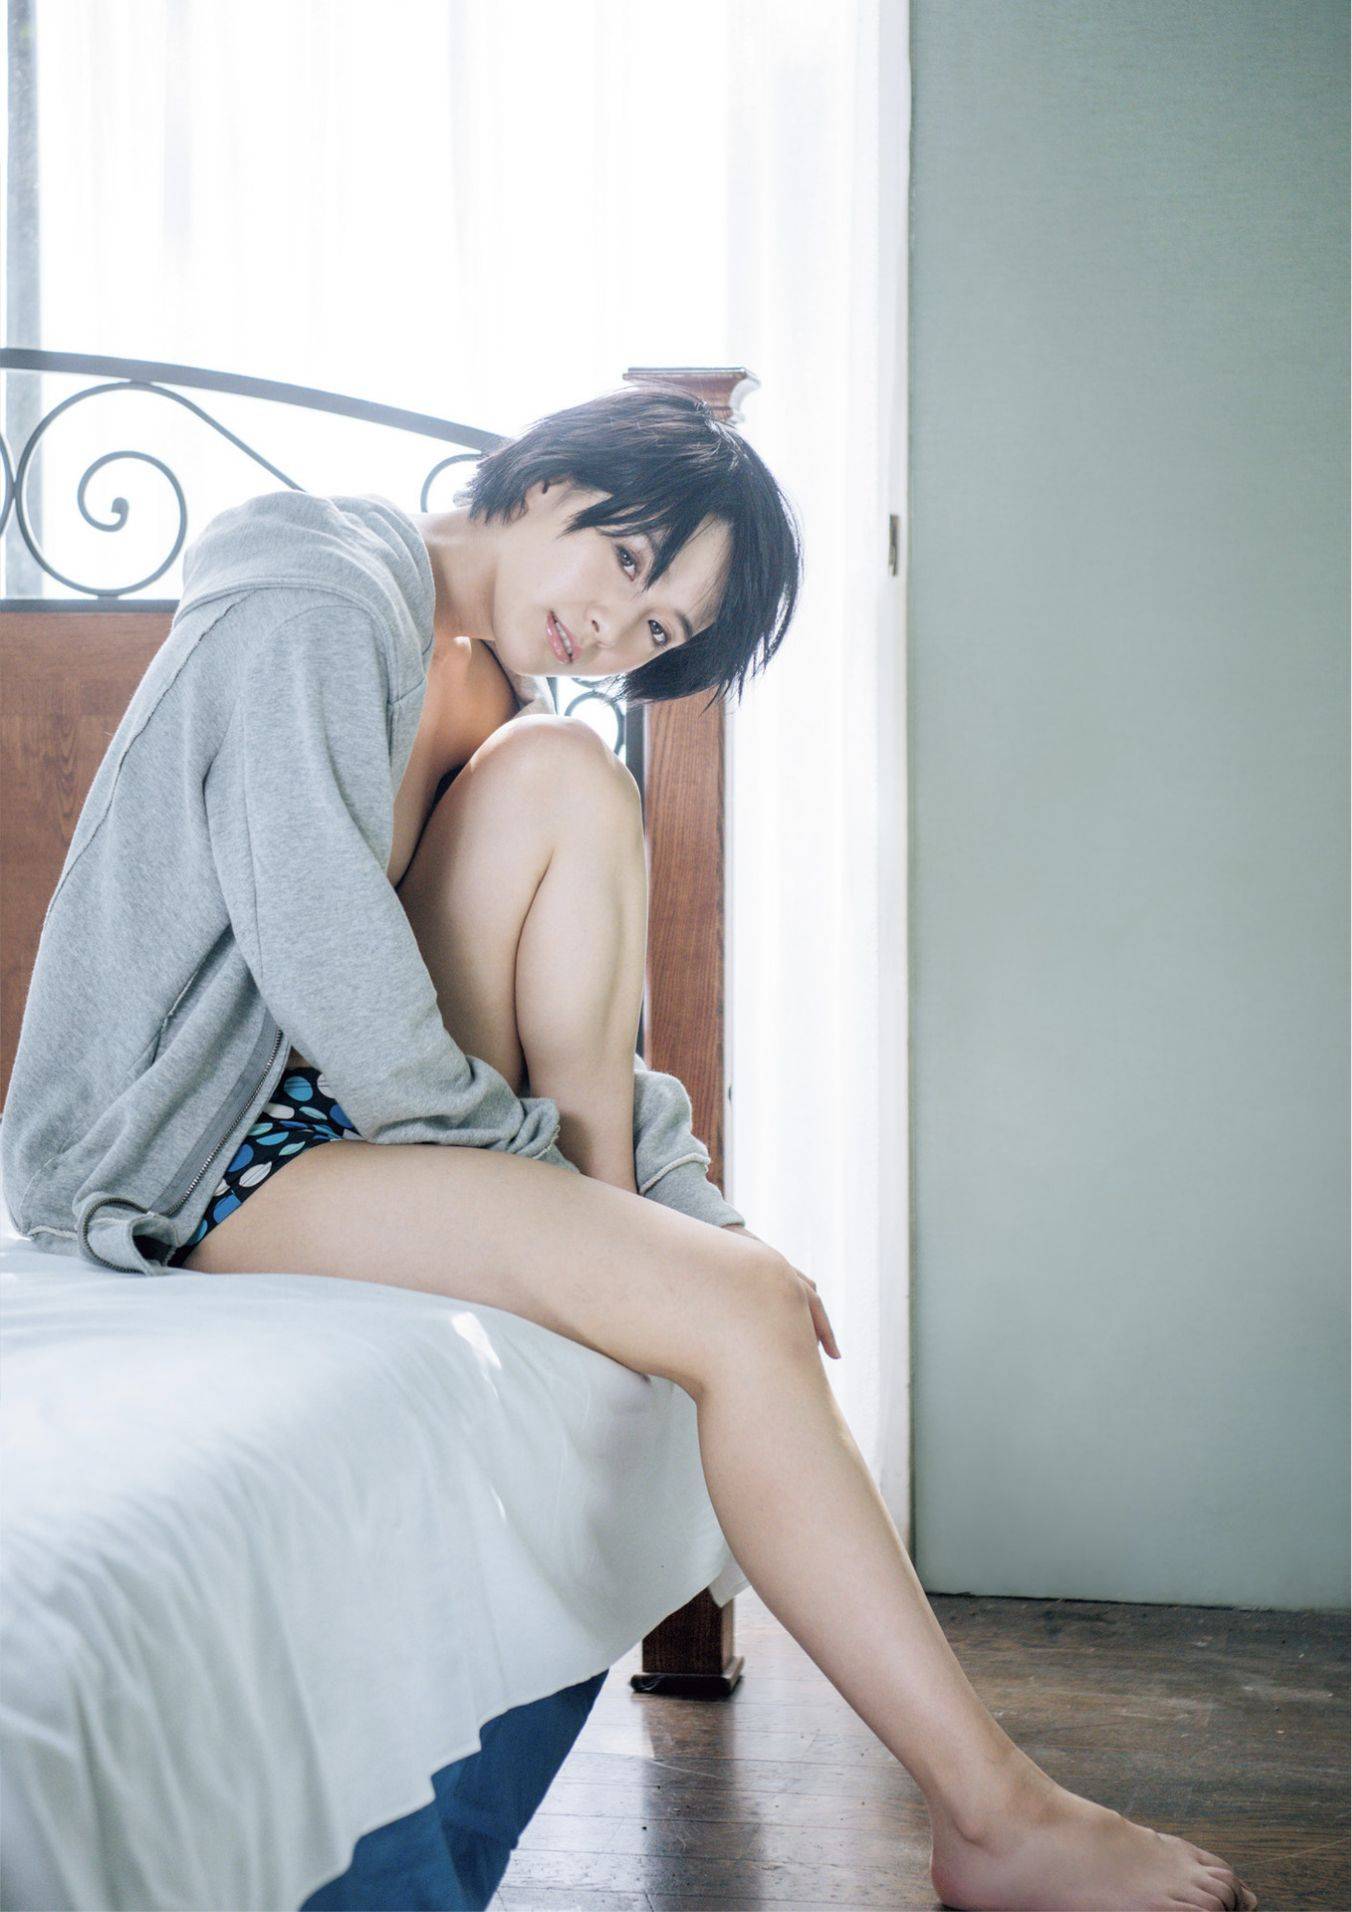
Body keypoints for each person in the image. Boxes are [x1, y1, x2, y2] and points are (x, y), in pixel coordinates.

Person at [2, 385, 1255, 1912]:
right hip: (186, 1146)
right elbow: (321, 942)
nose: (616, 624)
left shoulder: (492, 691)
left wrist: (680, 1215)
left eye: (659, 628)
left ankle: (641, 1271)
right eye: (629, 559)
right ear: (546, 478)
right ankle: (996, 1818)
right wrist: (564, 1202)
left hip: (335, 1109)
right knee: (736, 1314)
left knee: (572, 783)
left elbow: (585, 1038)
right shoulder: (317, 590)